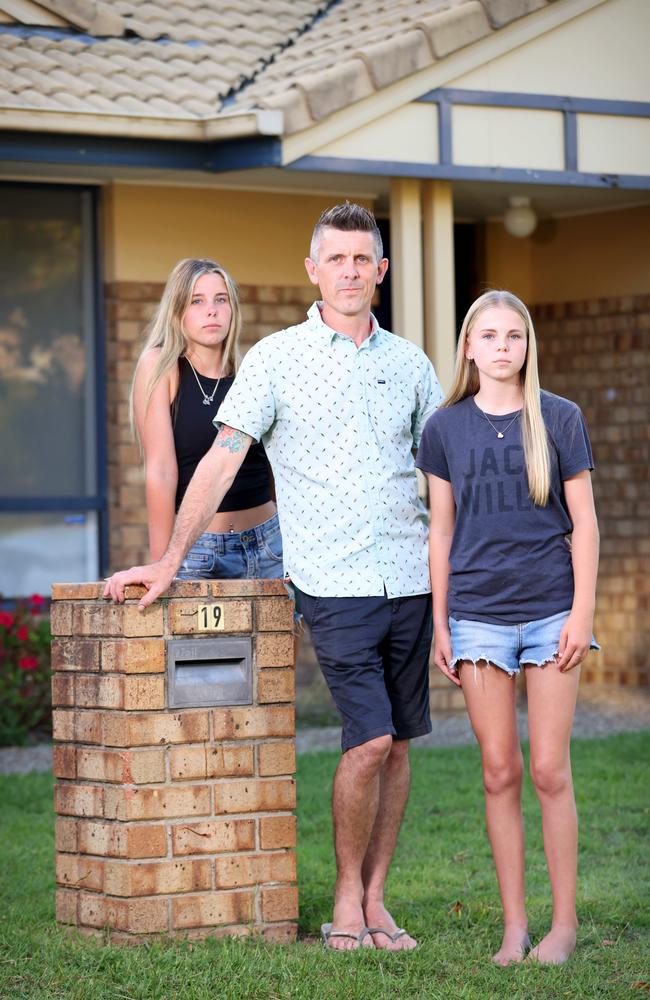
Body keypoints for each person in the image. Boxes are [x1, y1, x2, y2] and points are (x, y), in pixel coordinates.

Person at [104, 203, 443, 951]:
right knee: (368, 741)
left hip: (408, 577)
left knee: (400, 742)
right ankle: (346, 901)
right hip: (329, 575)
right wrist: (168, 559)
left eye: (364, 260)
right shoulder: (278, 360)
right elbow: (219, 457)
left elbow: (442, 479)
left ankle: (377, 897)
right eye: (338, 259)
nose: (351, 272)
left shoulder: (412, 365)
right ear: (312, 269)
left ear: (381, 271)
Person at [416, 289, 599, 966]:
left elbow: (586, 525)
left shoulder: (559, 418)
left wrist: (581, 613)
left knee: (550, 769)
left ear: (527, 346)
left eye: (513, 336)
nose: (502, 347)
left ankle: (564, 925)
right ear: (468, 347)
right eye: (488, 335)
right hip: (476, 618)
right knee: (500, 771)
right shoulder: (444, 429)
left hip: (552, 610)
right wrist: (440, 623)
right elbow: (440, 532)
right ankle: (514, 926)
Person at [130, 258, 282, 579]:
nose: (211, 310)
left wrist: (295, 547)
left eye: (220, 299)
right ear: (177, 310)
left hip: (271, 546)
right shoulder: (160, 366)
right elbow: (160, 471)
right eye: (197, 301)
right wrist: (163, 564)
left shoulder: (251, 372)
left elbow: (279, 467)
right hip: (200, 552)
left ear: (232, 310)